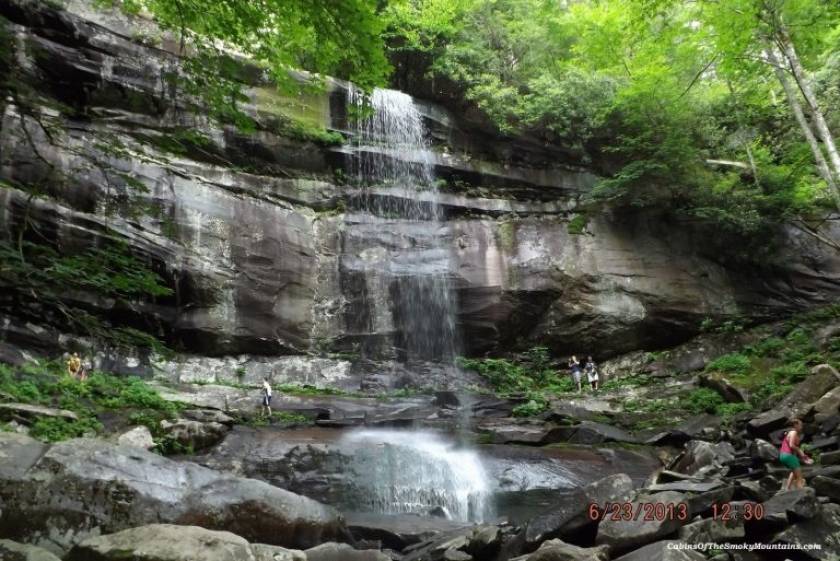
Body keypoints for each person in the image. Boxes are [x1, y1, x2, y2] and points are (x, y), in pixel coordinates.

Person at [779, 418, 812, 490]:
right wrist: (800, 451)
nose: (802, 427)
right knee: (800, 478)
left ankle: (787, 489)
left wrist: (803, 458)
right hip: (788, 455)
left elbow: (793, 451)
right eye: (800, 425)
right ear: (795, 425)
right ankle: (801, 494)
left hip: (783, 456)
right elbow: (791, 445)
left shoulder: (790, 433)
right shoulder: (793, 432)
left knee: (794, 472)